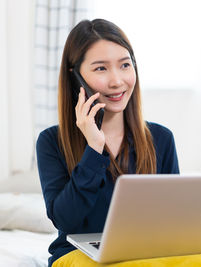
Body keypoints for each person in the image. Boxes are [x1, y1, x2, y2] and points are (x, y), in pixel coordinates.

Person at [36, 19, 179, 266]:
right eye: (101, 68)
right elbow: (66, 220)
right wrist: (94, 147)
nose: (117, 81)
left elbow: (175, 216)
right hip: (76, 256)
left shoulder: (161, 138)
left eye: (125, 65)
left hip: (144, 252)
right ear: (76, 78)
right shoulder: (51, 142)